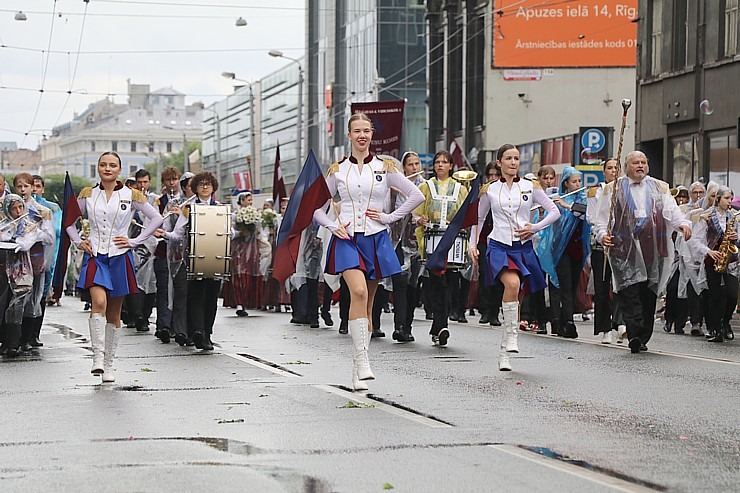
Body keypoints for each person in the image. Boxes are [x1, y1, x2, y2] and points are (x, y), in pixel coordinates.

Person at [313, 112, 424, 391]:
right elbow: (314, 208)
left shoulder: (385, 167)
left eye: (367, 131)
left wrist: (389, 217)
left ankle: (356, 364)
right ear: (349, 135)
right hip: (347, 238)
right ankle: (363, 362)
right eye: (357, 131)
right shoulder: (337, 170)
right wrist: (331, 224)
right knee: (358, 293)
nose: (362, 135)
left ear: (371, 135)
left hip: (375, 239)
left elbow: (417, 195)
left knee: (370, 304)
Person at [66, 151, 163, 382]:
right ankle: (97, 358)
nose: (107, 169)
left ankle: (109, 365)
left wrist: (134, 241)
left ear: (119, 170)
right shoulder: (88, 194)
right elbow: (68, 222)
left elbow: (156, 219)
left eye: (112, 165)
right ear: (98, 169)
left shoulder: (133, 195)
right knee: (98, 302)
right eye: (103, 165)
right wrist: (79, 242)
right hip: (96, 256)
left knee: (114, 313)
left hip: (120, 256)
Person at [469, 144, 560, 371]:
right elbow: (478, 219)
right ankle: (512, 336)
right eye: (508, 158)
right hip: (499, 245)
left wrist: (535, 227)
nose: (513, 162)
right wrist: (472, 244)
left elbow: (554, 212)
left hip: (524, 247)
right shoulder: (489, 190)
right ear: (499, 162)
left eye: (516, 158)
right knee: (513, 283)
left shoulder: (531, 187)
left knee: (517, 293)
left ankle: (505, 350)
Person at [593, 151, 692, 354]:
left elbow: (672, 211)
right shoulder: (613, 189)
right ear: (626, 166)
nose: (640, 166)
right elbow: (601, 219)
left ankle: (643, 334)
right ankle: (634, 333)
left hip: (653, 249)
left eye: (643, 162)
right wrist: (602, 235)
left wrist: (682, 224)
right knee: (629, 292)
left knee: (648, 293)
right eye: (635, 162)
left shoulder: (660, 187)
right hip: (623, 250)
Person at [413, 150, 469, 345]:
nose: (440, 165)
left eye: (444, 162)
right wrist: (420, 219)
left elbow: (466, 214)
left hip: (453, 242)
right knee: (438, 285)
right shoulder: (425, 187)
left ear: (451, 166)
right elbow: (416, 211)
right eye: (437, 162)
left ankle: (438, 327)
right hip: (433, 241)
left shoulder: (460, 189)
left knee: (451, 285)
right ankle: (441, 325)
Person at [164, 171, 222, 351]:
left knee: (212, 296)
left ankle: (208, 333)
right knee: (197, 293)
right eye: (201, 184)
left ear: (213, 188)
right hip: (195, 256)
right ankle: (198, 331)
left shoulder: (220, 207)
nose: (205, 187)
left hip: (216, 255)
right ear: (195, 188)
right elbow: (177, 234)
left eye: (208, 184)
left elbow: (231, 231)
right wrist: (164, 234)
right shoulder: (188, 208)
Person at [536, 166, 590, 339]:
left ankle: (563, 320)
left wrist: (567, 205)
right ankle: (565, 322)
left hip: (577, 249)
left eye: (579, 181)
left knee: (573, 285)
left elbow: (584, 215)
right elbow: (545, 222)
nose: (577, 184)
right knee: (561, 285)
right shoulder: (555, 200)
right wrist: (545, 209)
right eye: (574, 181)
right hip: (560, 249)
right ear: (566, 183)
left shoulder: (582, 200)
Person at [0, 194, 54, 357]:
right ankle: (6, 340)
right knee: (5, 303)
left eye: (20, 207)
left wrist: (17, 240)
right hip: (4, 268)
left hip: (23, 268)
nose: (17, 211)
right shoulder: (4, 224)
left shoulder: (30, 225)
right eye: (13, 208)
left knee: (18, 304)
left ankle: (15, 343)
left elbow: (28, 242)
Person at [688, 186, 738, 343]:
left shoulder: (734, 217)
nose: (730, 202)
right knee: (715, 296)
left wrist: (736, 237)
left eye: (731, 198)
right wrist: (708, 251)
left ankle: (725, 322)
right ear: (718, 199)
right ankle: (715, 329)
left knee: (732, 295)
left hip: (730, 261)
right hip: (712, 260)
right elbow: (695, 240)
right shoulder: (707, 216)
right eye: (727, 198)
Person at [14, 173, 56, 350]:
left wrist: (33, 234)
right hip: (15, 260)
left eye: (26, 186)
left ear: (33, 187)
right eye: (19, 187)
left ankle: (27, 338)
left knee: (33, 298)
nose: (23, 190)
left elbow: (49, 237)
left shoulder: (42, 211)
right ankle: (12, 338)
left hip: (35, 259)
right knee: (15, 298)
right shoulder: (11, 208)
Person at [586, 158, 623, 343]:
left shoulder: (625, 189)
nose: (613, 171)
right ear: (604, 171)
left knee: (621, 287)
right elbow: (591, 217)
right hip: (601, 246)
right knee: (602, 288)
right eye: (609, 168)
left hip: (622, 246)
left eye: (616, 168)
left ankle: (620, 324)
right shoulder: (596, 192)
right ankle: (604, 328)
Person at [389, 151, 425, 342]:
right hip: (398, 241)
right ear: (404, 167)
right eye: (410, 164)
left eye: (417, 164)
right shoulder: (397, 187)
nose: (414, 168)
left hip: (417, 242)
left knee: (413, 284)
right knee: (400, 282)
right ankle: (399, 325)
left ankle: (408, 325)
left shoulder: (425, 186)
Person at [476, 162, 504, 327]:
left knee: (499, 275)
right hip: (484, 239)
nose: (493, 178)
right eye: (490, 175)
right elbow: (478, 217)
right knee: (484, 273)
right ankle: (484, 310)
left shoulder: (503, 191)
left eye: (496, 175)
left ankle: (495, 311)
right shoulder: (484, 192)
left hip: (500, 238)